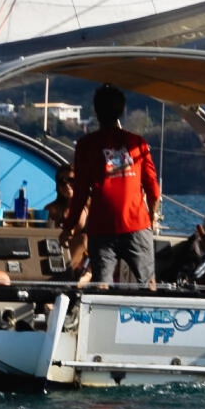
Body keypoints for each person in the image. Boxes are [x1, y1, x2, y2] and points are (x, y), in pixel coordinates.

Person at [61, 84, 160, 287]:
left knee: (101, 286)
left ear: (96, 112)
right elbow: (153, 188)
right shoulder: (138, 143)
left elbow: (80, 193)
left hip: (102, 227)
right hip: (137, 224)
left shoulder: (86, 145)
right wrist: (150, 217)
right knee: (148, 283)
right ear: (122, 111)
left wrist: (68, 228)